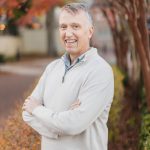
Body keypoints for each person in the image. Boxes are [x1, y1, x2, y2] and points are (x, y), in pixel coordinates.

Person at [22, 2, 114, 150]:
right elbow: (27, 113)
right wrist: (59, 128)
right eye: (63, 27)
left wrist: (38, 110)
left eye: (75, 26)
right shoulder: (52, 68)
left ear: (90, 32)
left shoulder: (100, 71)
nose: (68, 33)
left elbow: (74, 124)